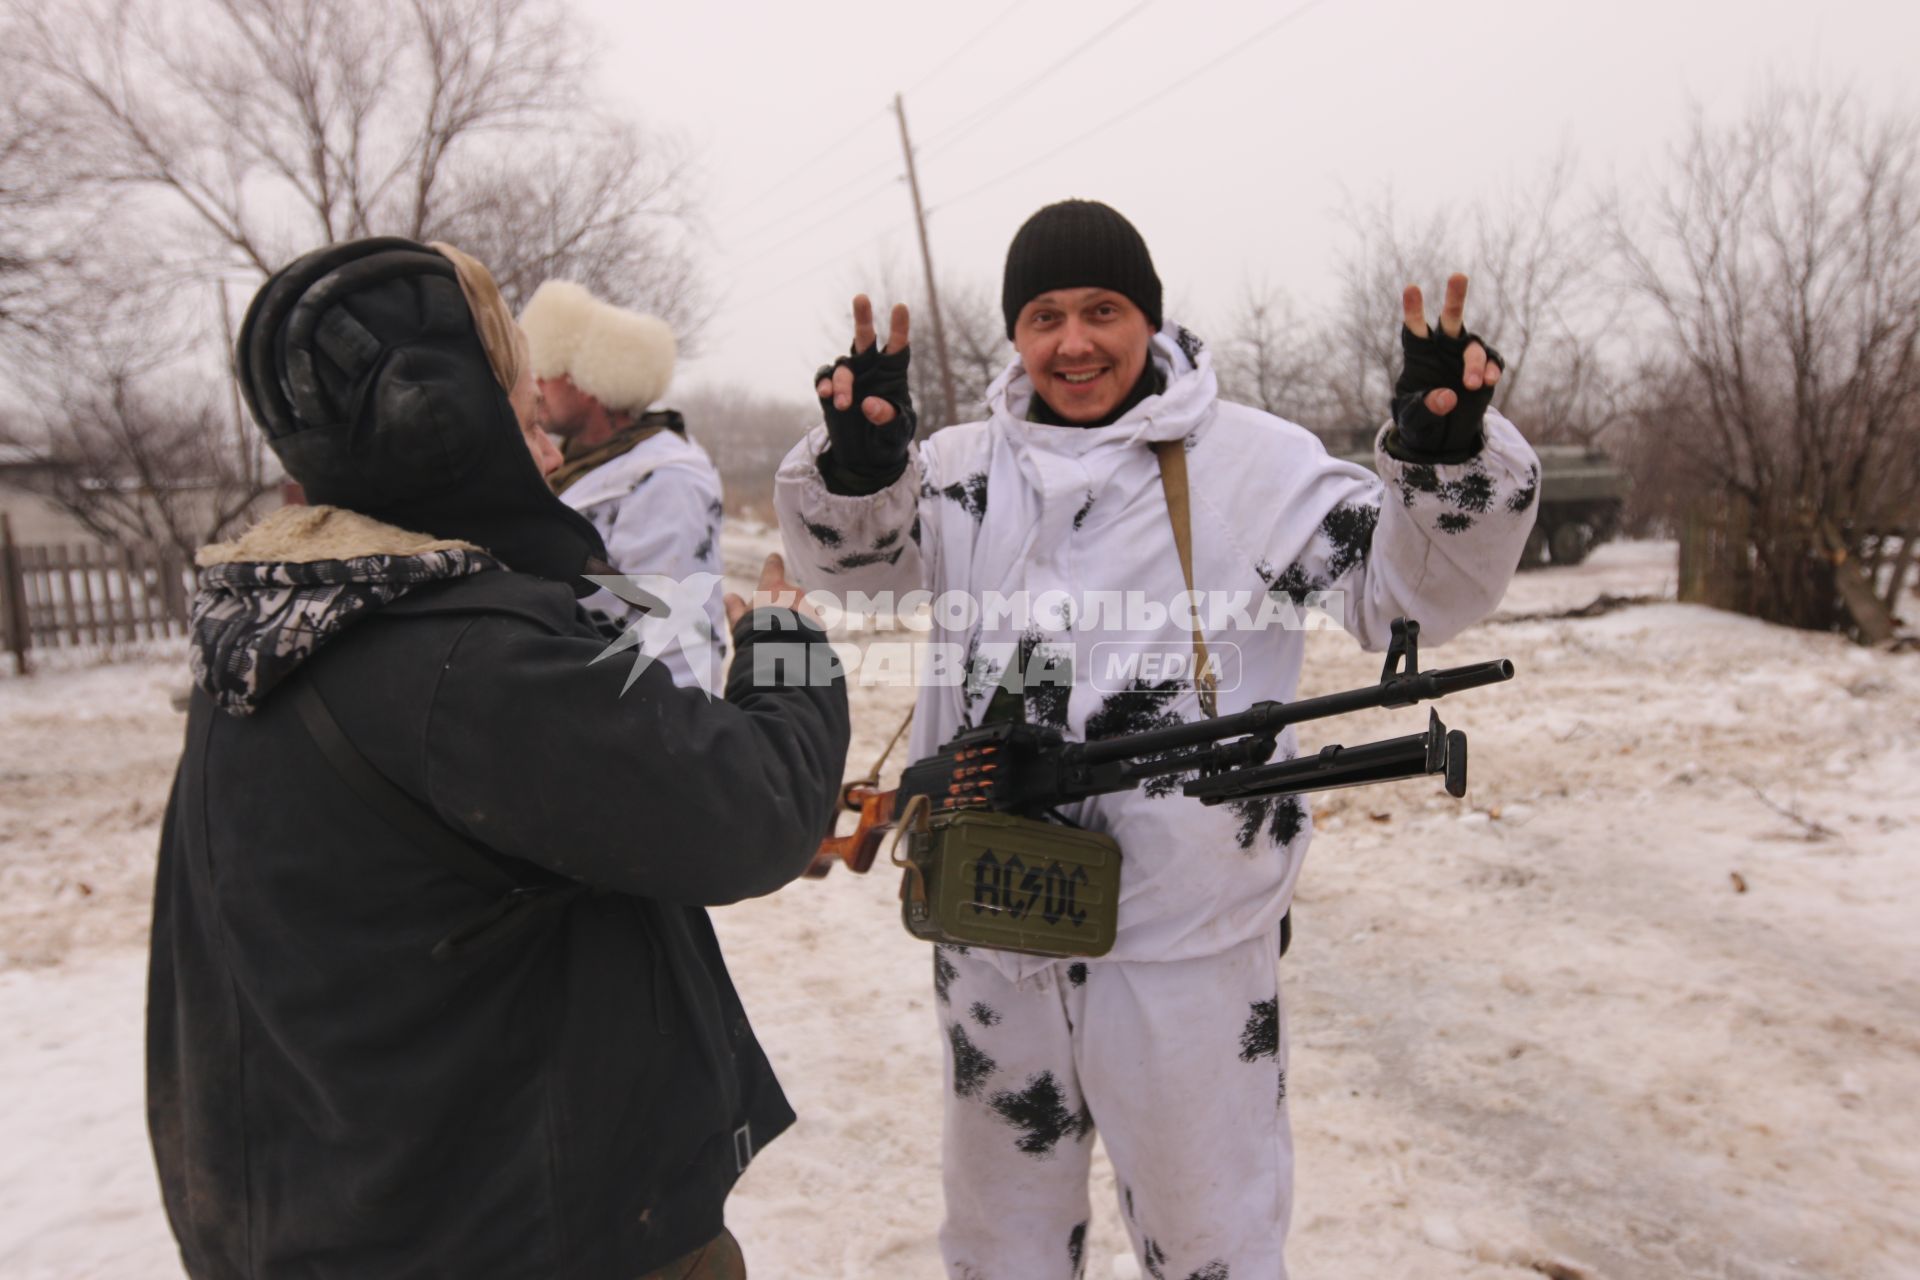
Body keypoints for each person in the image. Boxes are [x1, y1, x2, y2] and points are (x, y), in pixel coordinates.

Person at [775, 199, 1539, 1279]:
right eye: (1043, 315)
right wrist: (859, 471)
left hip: (1187, 947)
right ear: (1014, 332)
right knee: (1002, 1246)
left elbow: (1408, 596)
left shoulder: (1252, 465)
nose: (1073, 341)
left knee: (1212, 1244)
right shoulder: (957, 470)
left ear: (1150, 317)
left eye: (1103, 309)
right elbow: (844, 569)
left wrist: (1442, 456)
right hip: (996, 926)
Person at [148, 237, 850, 1280]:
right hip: (528, 1233)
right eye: (524, 420)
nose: (553, 455)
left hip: (351, 1216)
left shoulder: (276, 624)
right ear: (451, 433)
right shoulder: (469, 663)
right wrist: (787, 651)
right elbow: (749, 810)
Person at [519, 279, 728, 691]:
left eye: (552, 369)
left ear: (592, 381)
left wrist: (672, 742)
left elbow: (677, 634)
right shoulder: (571, 463)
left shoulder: (666, 481)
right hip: (570, 702)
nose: (538, 381)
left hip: (626, 722)